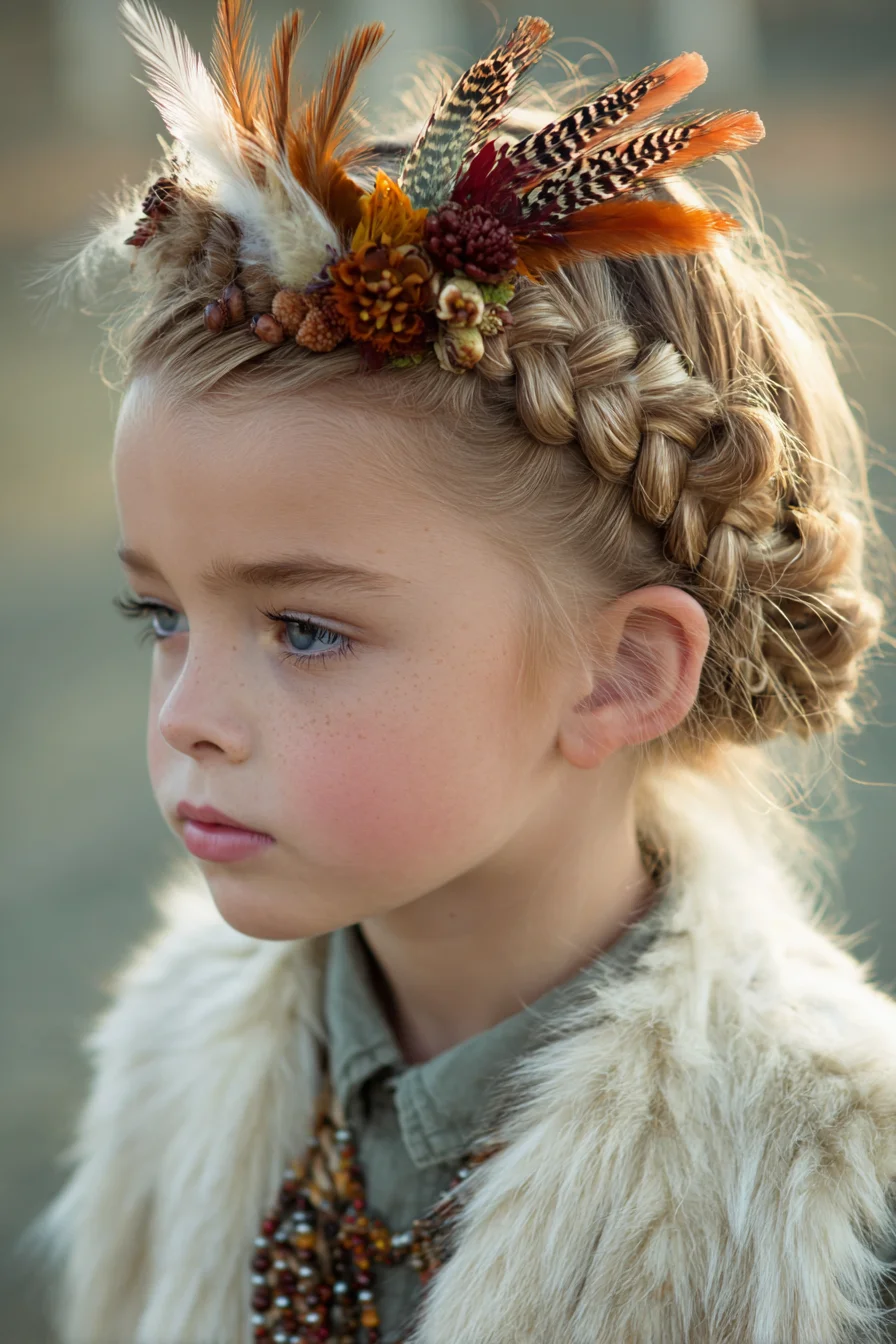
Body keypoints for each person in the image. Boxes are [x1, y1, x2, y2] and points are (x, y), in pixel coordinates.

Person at [30, 2, 896, 1341]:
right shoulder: (166, 1063)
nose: (189, 720)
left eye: (305, 631)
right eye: (160, 616)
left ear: (618, 676)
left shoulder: (830, 1208)